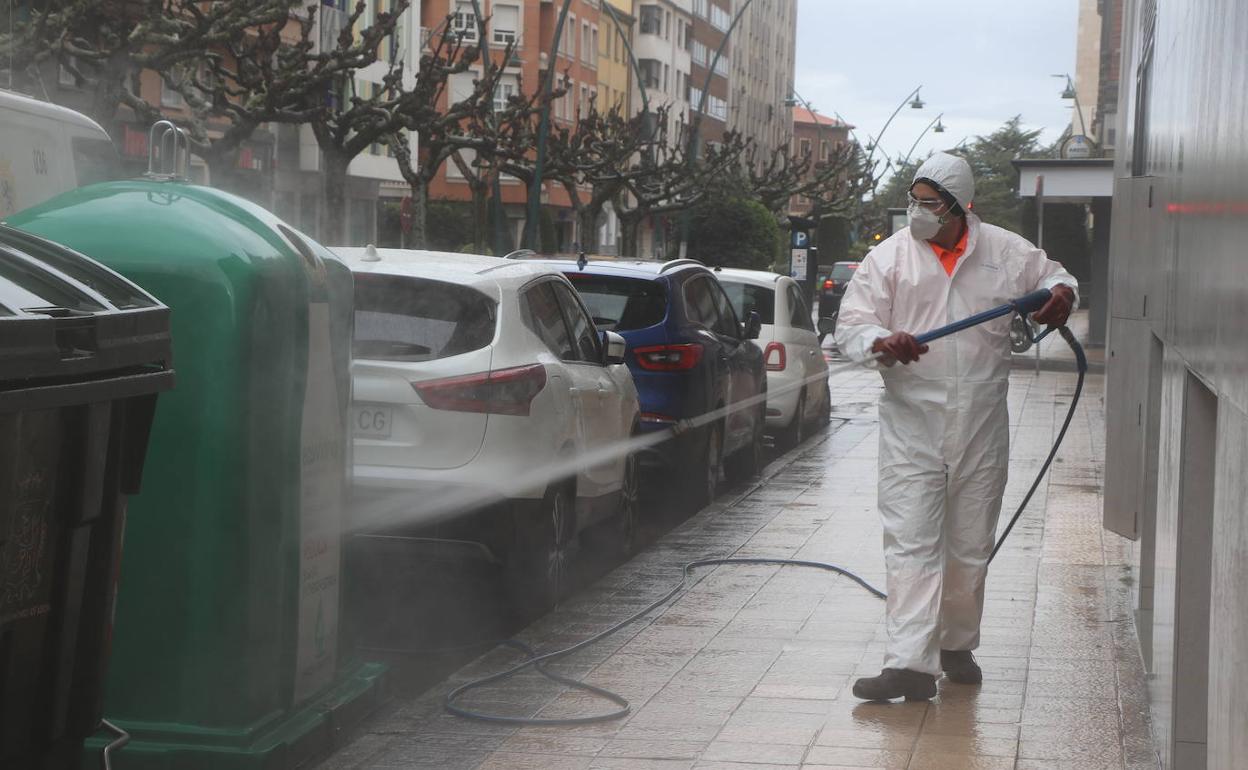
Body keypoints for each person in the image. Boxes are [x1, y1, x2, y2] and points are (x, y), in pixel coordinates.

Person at [835, 153, 1077, 702]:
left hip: (982, 419)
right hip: (912, 421)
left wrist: (1062, 295)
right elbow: (851, 325)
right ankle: (909, 666)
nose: (918, 212)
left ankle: (956, 645)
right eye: (914, 200)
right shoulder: (889, 258)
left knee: (970, 542)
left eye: (931, 203)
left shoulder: (1004, 251)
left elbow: (1056, 276)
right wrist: (881, 341)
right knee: (912, 540)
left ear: (961, 205)